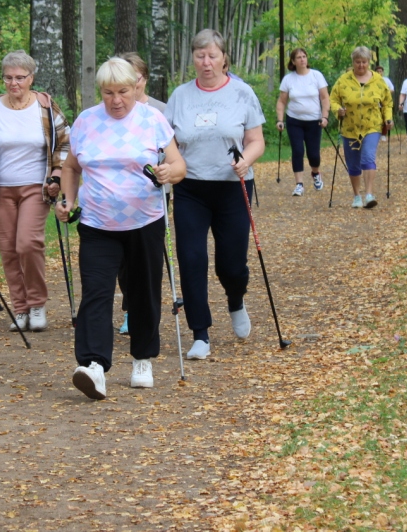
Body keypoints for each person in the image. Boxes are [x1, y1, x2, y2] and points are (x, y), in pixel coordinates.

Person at [57, 58, 186, 400]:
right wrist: (68, 201)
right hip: (97, 222)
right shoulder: (86, 121)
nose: (116, 100)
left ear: (136, 87)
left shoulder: (152, 119)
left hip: (144, 220)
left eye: (123, 92)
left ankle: (142, 358)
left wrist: (167, 173)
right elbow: (70, 168)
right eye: (108, 93)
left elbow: (178, 165)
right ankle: (94, 365)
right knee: (96, 292)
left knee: (143, 290)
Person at [165, 29, 266, 360]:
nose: (206, 62)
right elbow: (168, 143)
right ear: (192, 58)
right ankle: (201, 333)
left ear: (224, 57)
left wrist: (246, 161)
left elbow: (256, 140)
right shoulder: (180, 96)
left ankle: (236, 300)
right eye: (199, 55)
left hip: (232, 186)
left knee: (231, 265)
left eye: (212, 56)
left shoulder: (242, 93)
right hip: (191, 186)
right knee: (192, 258)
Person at [0, 50, 71, 333]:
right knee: (8, 250)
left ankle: (37, 303)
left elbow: (65, 142)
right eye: (8, 78)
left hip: (35, 187)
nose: (14, 83)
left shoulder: (46, 108)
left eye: (20, 78)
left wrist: (57, 174)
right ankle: (20, 308)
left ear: (31, 78)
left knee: (27, 244)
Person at [116, 52, 166, 336]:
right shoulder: (112, 107)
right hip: (118, 195)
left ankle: (144, 309)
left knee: (146, 256)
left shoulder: (160, 110)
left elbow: (175, 149)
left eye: (133, 79)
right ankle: (130, 308)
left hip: (152, 193)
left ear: (143, 80)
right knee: (122, 258)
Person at [329, 46, 393, 209]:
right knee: (353, 163)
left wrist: (388, 118)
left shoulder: (378, 80)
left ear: (369, 62)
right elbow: (333, 99)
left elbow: (387, 102)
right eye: (358, 62)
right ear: (353, 62)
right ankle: (357, 195)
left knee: (368, 157)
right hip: (350, 128)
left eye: (364, 62)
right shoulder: (343, 80)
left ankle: (369, 194)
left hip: (372, 126)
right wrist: (338, 110)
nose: (361, 65)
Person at [276, 47, 330, 196]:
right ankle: (299, 183)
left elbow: (325, 98)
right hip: (294, 120)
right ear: (293, 61)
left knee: (313, 154)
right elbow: (281, 101)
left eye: (304, 56)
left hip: (314, 121)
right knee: (298, 151)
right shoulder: (288, 79)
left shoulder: (316, 76)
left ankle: (315, 173)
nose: (302, 59)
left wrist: (325, 116)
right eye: (298, 57)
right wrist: (280, 120)